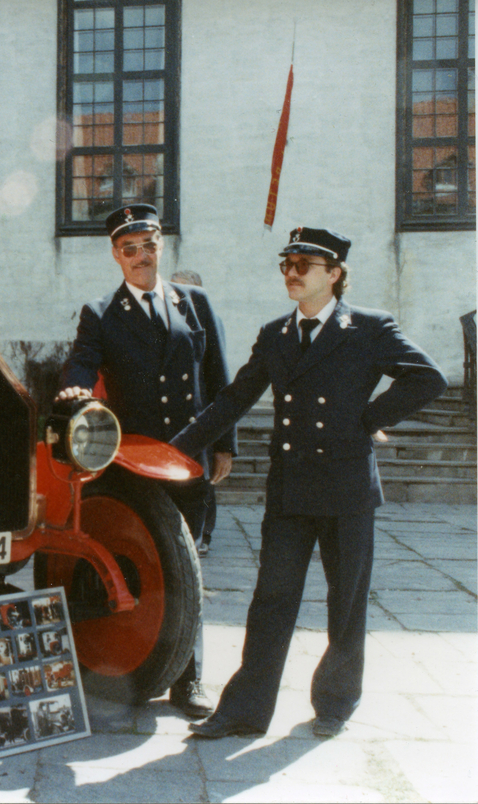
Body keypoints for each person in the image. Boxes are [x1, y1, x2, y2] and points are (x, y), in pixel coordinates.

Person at [174, 226, 446, 739]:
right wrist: (177, 448)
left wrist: (368, 418)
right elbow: (234, 399)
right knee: (271, 599)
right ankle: (244, 711)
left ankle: (335, 703)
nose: (292, 274)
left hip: (346, 490)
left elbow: (427, 377)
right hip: (292, 489)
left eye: (305, 265)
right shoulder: (276, 333)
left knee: (346, 600)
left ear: (335, 274)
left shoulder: (368, 328)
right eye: (287, 264)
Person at [56, 203, 235, 717]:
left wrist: (225, 444)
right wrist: (75, 386)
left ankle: (191, 680)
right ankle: (137, 660)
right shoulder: (102, 313)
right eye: (129, 249)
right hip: (134, 463)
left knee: (189, 568)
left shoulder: (194, 302)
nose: (140, 256)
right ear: (116, 255)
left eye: (149, 245)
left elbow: (220, 377)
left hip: (190, 454)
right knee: (151, 565)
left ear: (161, 246)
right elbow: (83, 362)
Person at [171, 269, 217, 558]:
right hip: (175, 417)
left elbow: (216, 374)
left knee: (205, 478)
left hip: (204, 414)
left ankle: (205, 534)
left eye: (187, 289)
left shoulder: (208, 321)